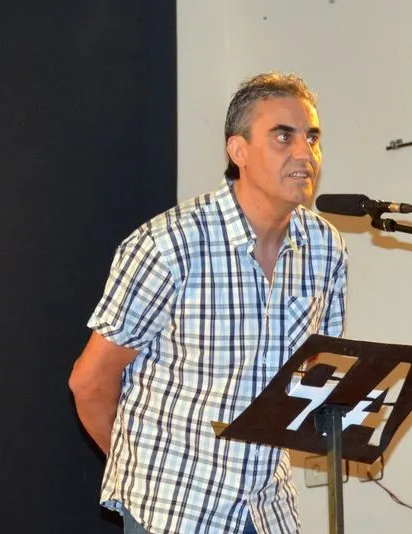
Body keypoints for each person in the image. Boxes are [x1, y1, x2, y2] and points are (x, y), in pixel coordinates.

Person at [68, 72, 348, 533]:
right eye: (284, 136)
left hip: (267, 509)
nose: (305, 153)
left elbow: (314, 367)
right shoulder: (169, 244)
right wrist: (142, 469)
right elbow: (90, 382)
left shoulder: (325, 247)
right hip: (175, 508)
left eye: (312, 137)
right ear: (238, 151)